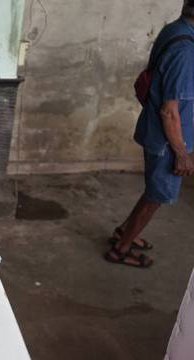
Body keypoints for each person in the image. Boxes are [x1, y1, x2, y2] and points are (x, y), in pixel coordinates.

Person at [105, 1, 194, 267]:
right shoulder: (187, 51)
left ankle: (126, 231)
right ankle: (121, 248)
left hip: (156, 132)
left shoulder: (175, 29)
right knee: (157, 196)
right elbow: (170, 111)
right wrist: (181, 154)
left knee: (153, 189)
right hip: (168, 141)